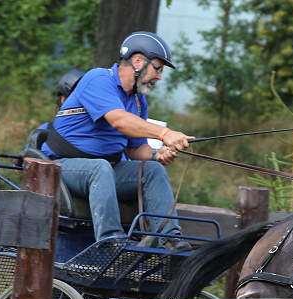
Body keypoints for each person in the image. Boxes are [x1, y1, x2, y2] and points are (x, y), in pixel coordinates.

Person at [41, 31, 193, 251]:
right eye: (157, 69)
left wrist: (155, 154)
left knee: (152, 170)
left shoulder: (139, 101)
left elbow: (134, 149)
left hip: (102, 171)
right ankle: (112, 244)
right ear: (138, 61)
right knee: (100, 168)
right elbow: (119, 120)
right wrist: (164, 133)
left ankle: (168, 241)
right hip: (61, 167)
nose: (159, 77)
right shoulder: (98, 79)